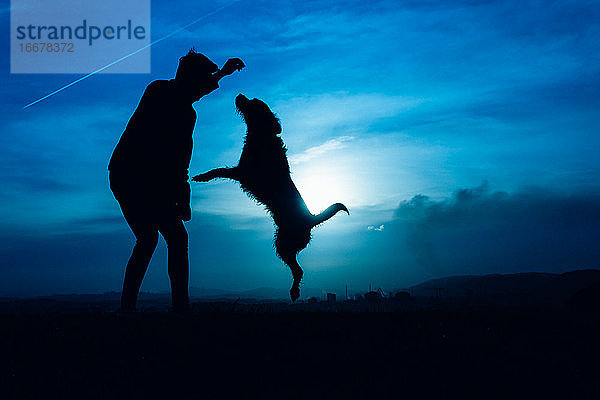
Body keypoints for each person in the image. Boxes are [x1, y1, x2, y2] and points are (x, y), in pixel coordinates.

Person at [108, 49, 245, 312]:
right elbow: (174, 155)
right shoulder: (159, 92)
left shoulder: (185, 110)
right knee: (152, 239)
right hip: (131, 175)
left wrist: (181, 196)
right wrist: (221, 74)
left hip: (151, 180)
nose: (202, 89)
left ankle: (170, 308)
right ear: (190, 78)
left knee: (169, 238)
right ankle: (141, 309)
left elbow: (180, 160)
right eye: (202, 79)